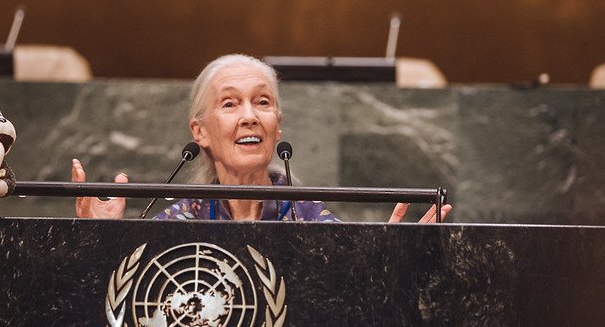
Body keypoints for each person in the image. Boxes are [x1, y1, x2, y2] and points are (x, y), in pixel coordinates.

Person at [71, 54, 452, 223]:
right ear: (199, 131)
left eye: (263, 102)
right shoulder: (178, 222)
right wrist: (101, 243)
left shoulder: (309, 220)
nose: (250, 117)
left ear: (278, 125)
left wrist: (398, 260)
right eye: (231, 104)